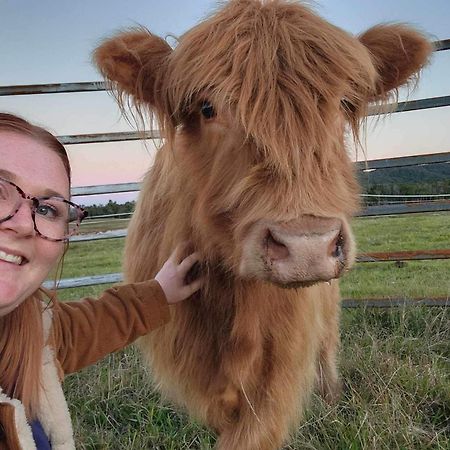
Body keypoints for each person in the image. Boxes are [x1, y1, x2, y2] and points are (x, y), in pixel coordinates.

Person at [0, 113, 202, 450]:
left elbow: (94, 324)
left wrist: (160, 292)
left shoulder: (32, 332)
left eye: (47, 209)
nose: (23, 223)